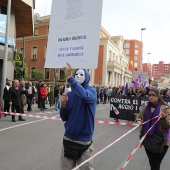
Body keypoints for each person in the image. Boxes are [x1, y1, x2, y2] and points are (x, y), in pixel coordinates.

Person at [60, 63, 97, 170]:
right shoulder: (70, 94)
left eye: (81, 74)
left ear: (87, 77)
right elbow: (64, 117)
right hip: (68, 139)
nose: (77, 76)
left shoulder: (92, 92)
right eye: (76, 74)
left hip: (84, 142)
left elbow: (84, 96)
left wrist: (70, 78)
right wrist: (63, 106)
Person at [136, 87, 170, 170]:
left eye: (153, 95)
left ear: (158, 96)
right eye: (149, 95)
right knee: (152, 163)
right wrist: (139, 121)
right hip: (147, 139)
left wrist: (163, 118)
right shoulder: (145, 106)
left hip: (162, 140)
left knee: (155, 164)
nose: (151, 97)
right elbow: (138, 117)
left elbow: (168, 125)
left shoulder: (165, 108)